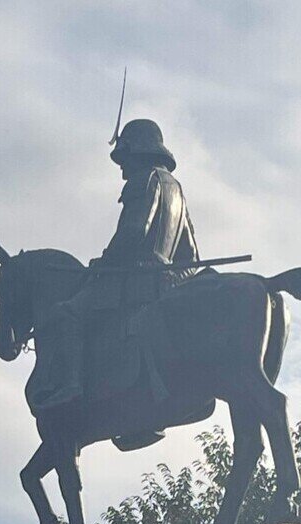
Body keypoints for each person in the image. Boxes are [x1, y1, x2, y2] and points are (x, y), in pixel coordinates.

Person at [30, 119, 200, 420]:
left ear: (138, 153)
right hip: (165, 280)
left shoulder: (141, 181)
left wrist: (105, 263)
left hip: (133, 279)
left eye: (124, 159)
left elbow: (135, 230)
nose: (122, 168)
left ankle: (72, 385)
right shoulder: (176, 189)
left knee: (67, 313)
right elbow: (191, 254)